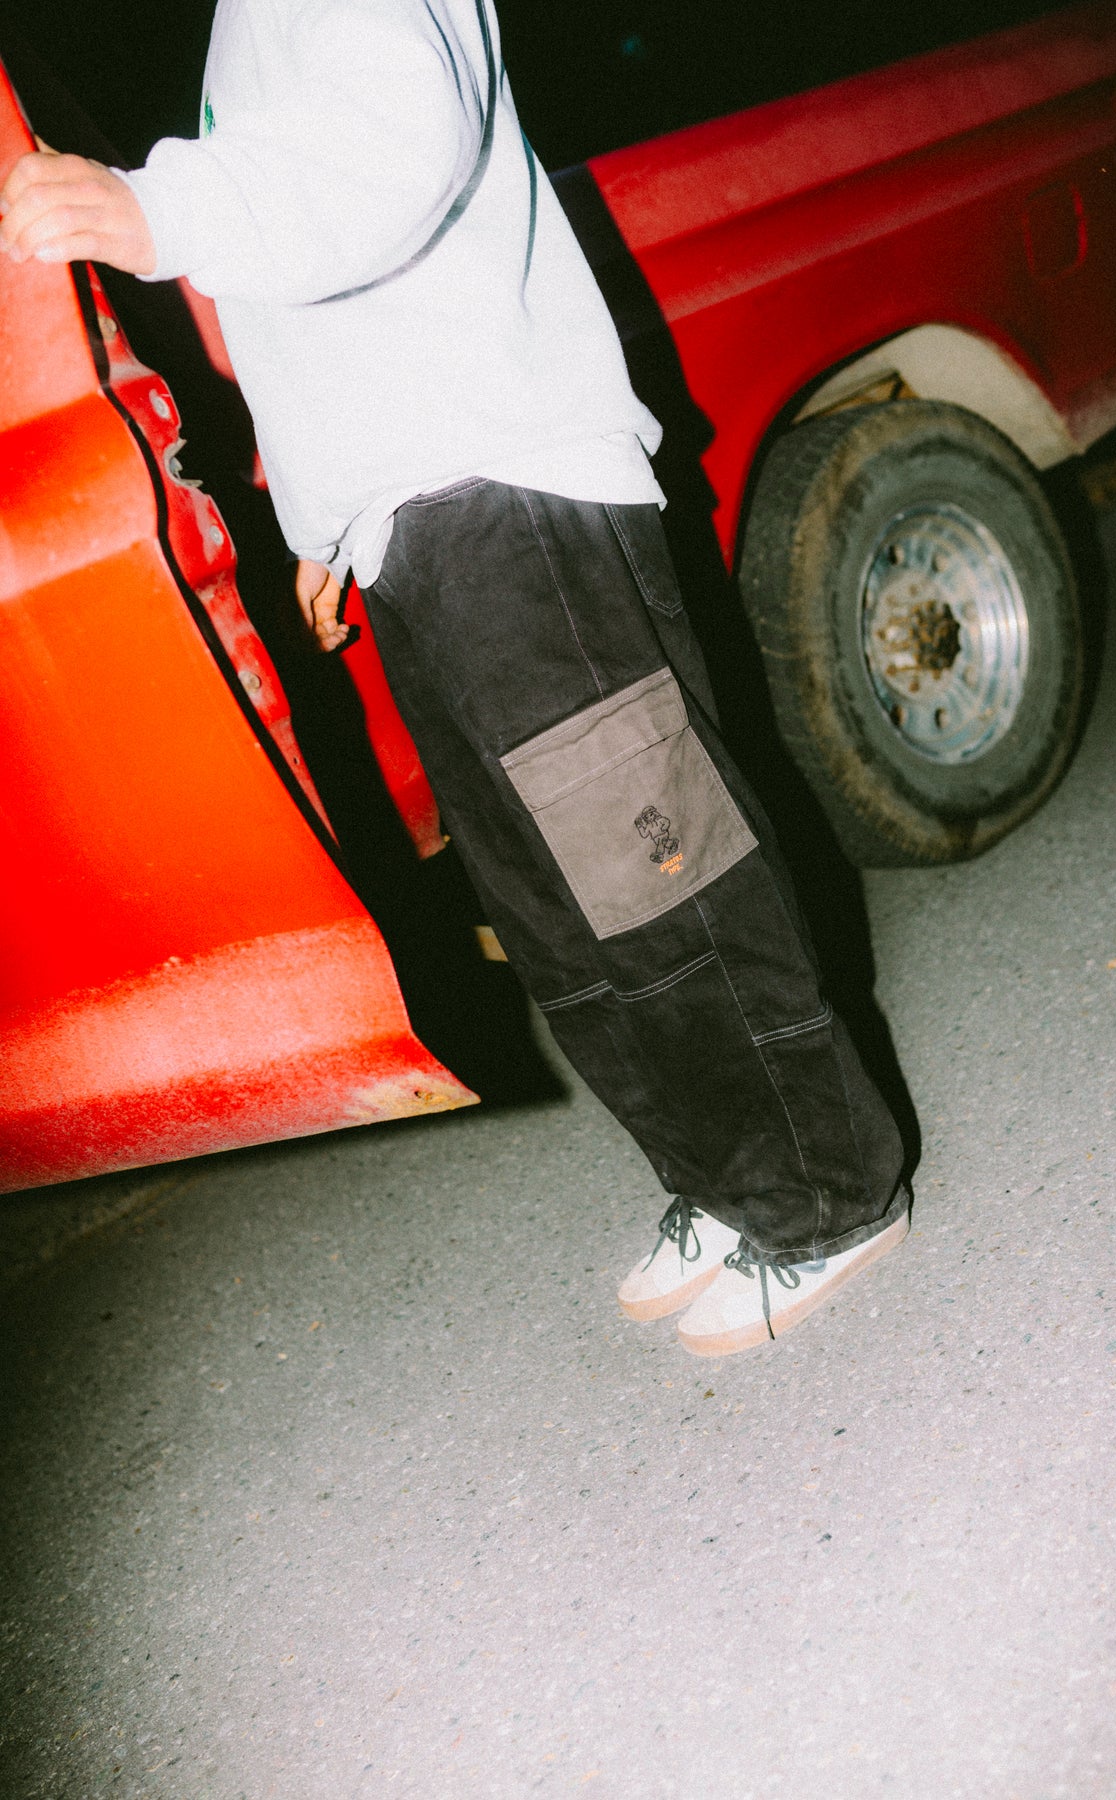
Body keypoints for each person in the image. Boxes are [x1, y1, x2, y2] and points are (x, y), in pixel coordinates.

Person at [0, 0, 910, 1356]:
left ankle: (825, 1190)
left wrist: (152, 209)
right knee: (555, 916)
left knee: (654, 877)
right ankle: (729, 1176)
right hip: (416, 515)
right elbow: (314, 314)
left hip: (503, 480)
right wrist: (327, 524)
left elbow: (393, 154)